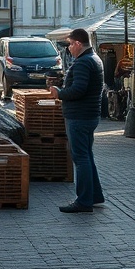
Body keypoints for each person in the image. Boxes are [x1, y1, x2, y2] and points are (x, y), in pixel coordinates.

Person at [49, 28, 105, 213]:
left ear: (78, 44)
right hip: (89, 115)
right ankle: (94, 196)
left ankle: (83, 201)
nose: (69, 48)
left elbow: (79, 89)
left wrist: (59, 93)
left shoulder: (83, 62)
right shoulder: (94, 59)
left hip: (79, 116)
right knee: (87, 156)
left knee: (80, 158)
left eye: (70, 44)